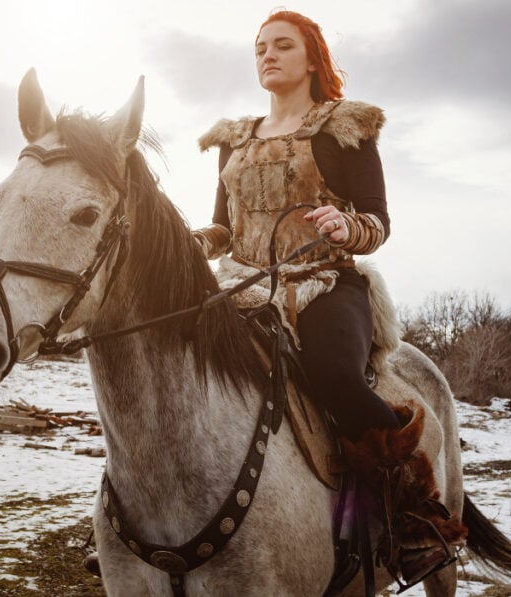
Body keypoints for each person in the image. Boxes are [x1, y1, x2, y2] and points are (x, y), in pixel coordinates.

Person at [193, 10, 466, 589]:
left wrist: (346, 227)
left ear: (312, 58)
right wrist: (195, 241)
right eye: (260, 47)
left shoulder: (345, 128)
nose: (267, 55)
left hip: (325, 282)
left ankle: (415, 520)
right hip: (242, 287)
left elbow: (378, 221)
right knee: (172, 366)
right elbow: (224, 228)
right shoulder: (235, 140)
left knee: (335, 375)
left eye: (282, 46)